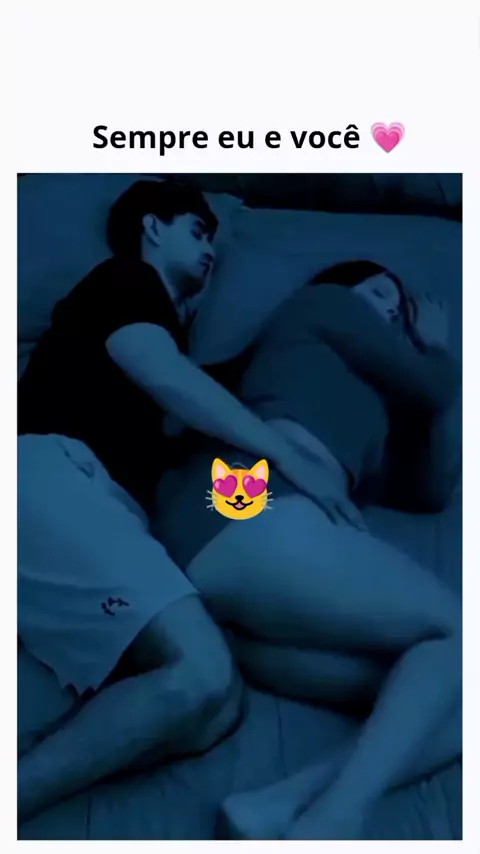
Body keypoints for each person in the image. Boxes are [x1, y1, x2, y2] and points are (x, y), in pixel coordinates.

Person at [17, 179, 346, 824]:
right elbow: (163, 372)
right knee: (202, 674)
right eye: (197, 231)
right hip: (49, 472)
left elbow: (189, 396)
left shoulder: (170, 349)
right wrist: (292, 458)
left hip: (93, 506)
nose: (211, 250)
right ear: (151, 227)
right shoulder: (125, 281)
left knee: (217, 709)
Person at [152, 260, 462, 840]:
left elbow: (431, 491)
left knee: (446, 697)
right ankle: (337, 818)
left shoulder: (365, 416)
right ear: (343, 287)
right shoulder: (322, 306)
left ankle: (275, 806)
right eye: (379, 293)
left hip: (253, 582)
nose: (390, 312)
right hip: (245, 502)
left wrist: (433, 394)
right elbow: (438, 386)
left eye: (399, 310)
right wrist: (437, 348)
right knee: (461, 632)